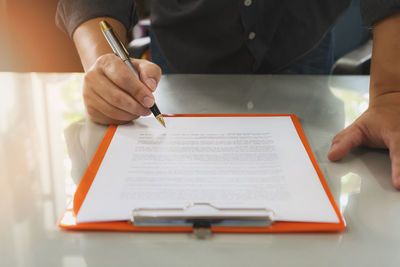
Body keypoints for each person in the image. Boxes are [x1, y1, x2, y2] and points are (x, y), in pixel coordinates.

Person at [56, 0, 400, 189]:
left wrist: (391, 94)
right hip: (183, 51)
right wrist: (104, 67)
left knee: (313, 181)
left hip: (300, 44)